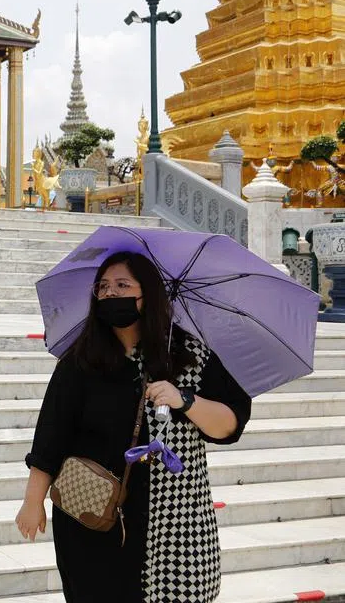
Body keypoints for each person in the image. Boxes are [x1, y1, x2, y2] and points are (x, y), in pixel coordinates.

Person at [16, 251, 252, 603]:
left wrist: (184, 400)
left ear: (149, 295)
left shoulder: (190, 355)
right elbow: (51, 435)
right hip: (94, 517)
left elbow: (229, 425)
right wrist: (32, 501)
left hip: (176, 522)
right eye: (104, 287)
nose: (111, 294)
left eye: (123, 285)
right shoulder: (81, 361)